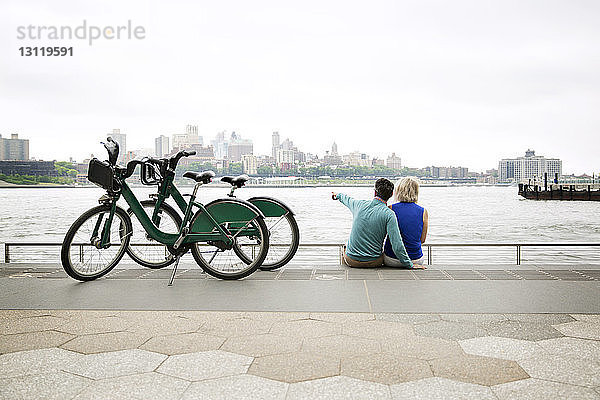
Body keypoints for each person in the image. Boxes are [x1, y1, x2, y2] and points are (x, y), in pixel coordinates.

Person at [332, 178, 415, 268]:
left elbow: (346, 199)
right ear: (391, 195)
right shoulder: (389, 214)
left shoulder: (359, 204)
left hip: (351, 261)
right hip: (375, 262)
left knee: (345, 247)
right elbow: (397, 244)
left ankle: (345, 273)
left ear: (375, 192)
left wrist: (337, 195)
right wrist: (409, 264)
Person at [383, 177, 429, 267]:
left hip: (392, 259)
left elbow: (382, 235)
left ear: (398, 191)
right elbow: (422, 240)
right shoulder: (423, 211)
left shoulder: (390, 208)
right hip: (416, 259)